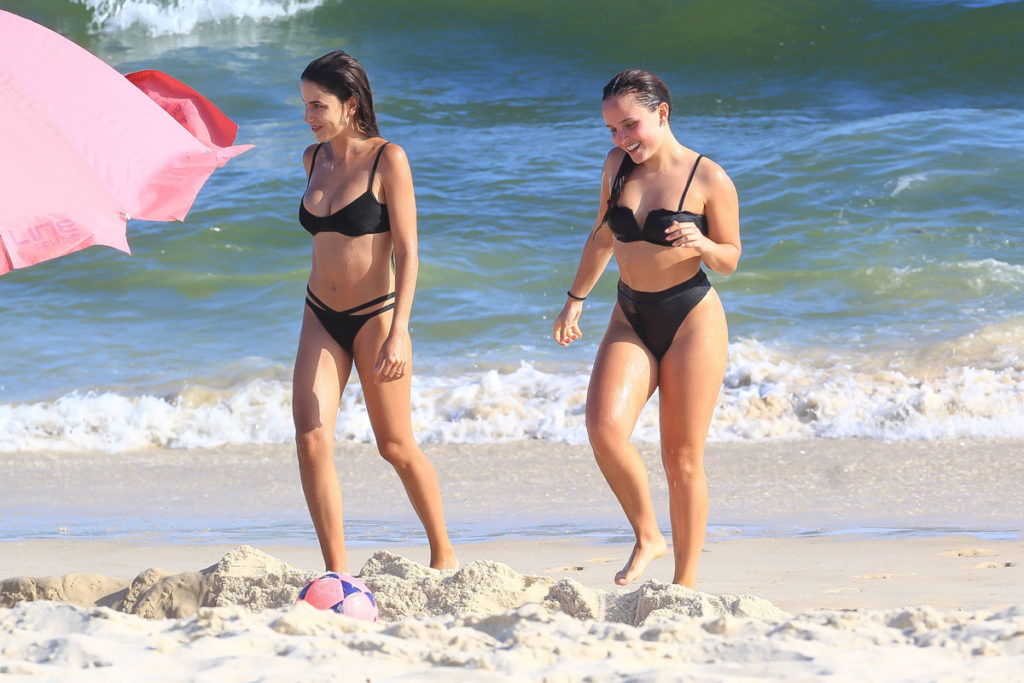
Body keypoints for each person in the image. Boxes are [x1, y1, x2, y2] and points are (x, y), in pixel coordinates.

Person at [553, 69, 741, 588]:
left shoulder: (708, 178)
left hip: (691, 318)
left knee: (681, 458)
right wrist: (575, 300)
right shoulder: (616, 166)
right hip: (629, 312)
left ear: (662, 113)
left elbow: (730, 257)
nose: (621, 139)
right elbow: (601, 235)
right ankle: (648, 535)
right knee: (603, 429)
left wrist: (702, 244)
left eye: (629, 126)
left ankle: (685, 583)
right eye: (612, 129)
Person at [293, 50, 456, 573]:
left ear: (351, 103)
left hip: (376, 315)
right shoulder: (312, 159)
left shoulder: (389, 159)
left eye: (318, 105)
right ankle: (337, 572)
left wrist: (400, 331)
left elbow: (408, 250)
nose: (309, 116)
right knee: (311, 435)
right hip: (319, 312)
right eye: (305, 105)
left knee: (394, 444)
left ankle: (443, 553)